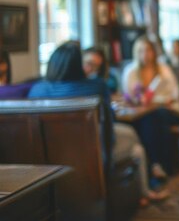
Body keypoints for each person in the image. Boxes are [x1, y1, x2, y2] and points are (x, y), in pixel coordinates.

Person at [27, 41, 167, 205]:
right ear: (78, 66)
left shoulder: (37, 90)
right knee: (137, 147)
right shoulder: (96, 86)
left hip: (49, 159)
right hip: (93, 154)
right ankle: (144, 192)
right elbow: (109, 123)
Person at [121, 35, 179, 176]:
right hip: (146, 114)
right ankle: (151, 167)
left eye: (148, 50)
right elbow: (128, 95)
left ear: (154, 52)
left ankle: (156, 164)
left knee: (155, 117)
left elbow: (174, 94)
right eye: (141, 50)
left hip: (170, 110)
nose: (145, 54)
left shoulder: (163, 70)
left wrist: (155, 100)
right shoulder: (130, 71)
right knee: (146, 121)